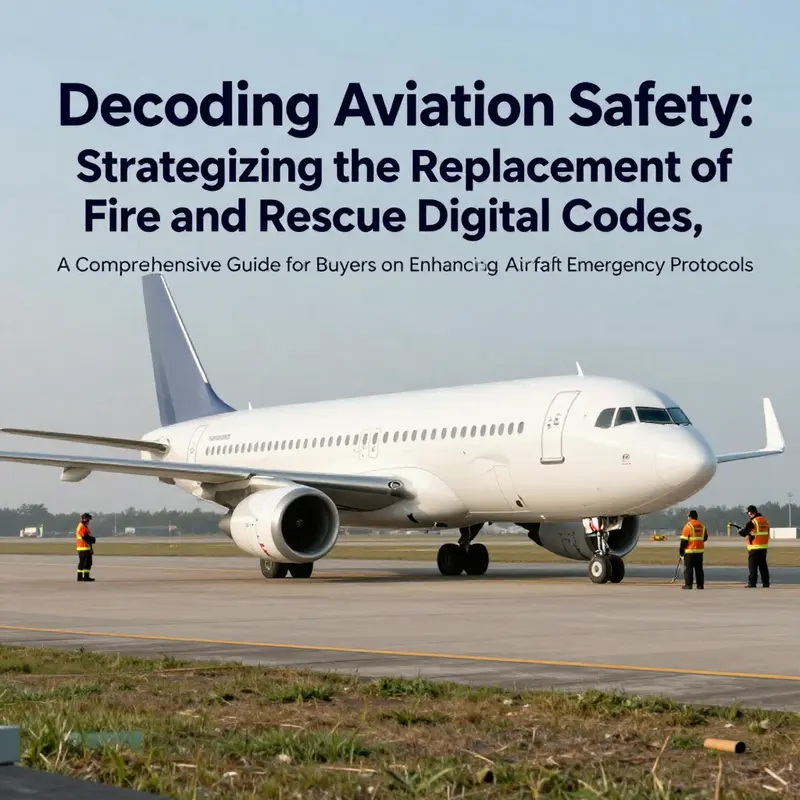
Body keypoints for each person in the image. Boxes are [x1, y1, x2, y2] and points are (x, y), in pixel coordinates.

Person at [736, 505, 770, 588]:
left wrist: (739, 531)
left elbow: (744, 532)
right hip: (763, 547)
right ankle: (766, 583)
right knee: (763, 566)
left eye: (748, 513)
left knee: (753, 566)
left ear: (750, 513)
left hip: (754, 547)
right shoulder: (765, 521)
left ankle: (752, 582)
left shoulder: (753, 522)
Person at [679, 509, 708, 590]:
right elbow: (705, 538)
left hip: (690, 551)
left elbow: (684, 541)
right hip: (699, 552)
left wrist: (681, 551)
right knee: (699, 569)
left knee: (688, 569)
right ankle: (700, 585)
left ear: (690, 517)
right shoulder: (702, 525)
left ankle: (688, 585)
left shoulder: (688, 526)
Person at [76, 512, 96, 582]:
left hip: (86, 547)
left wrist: (91, 548)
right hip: (82, 548)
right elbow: (84, 537)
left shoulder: (84, 526)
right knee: (83, 563)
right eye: (88, 520)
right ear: (85, 519)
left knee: (88, 563)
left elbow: (87, 539)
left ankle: (85, 577)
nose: (88, 522)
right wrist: (92, 539)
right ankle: (81, 577)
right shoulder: (81, 526)